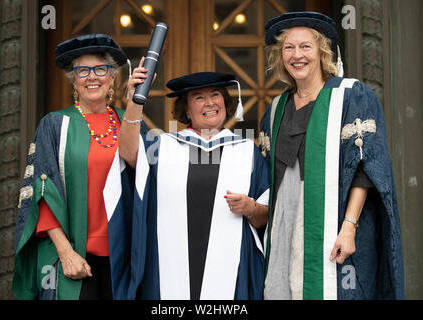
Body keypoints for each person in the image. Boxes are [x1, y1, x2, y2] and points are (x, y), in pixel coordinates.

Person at [260, 11, 404, 300]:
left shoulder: (350, 96)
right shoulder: (276, 108)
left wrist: (349, 227)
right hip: (285, 223)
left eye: (305, 47)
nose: (296, 55)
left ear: (322, 51)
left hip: (334, 222)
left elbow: (365, 169)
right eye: (289, 47)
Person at [117, 66, 270, 299]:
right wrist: (135, 101)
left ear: (225, 102)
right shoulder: (164, 147)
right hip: (170, 265)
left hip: (231, 268)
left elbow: (266, 215)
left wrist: (251, 208)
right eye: (199, 97)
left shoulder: (246, 151)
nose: (210, 103)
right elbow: (128, 153)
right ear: (186, 110)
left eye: (216, 95)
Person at [13, 34, 132, 300]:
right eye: (83, 70)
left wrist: (135, 107)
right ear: (74, 81)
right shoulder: (55, 124)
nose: (92, 77)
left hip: (123, 257)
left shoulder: (128, 122)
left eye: (100, 69)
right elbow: (43, 193)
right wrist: (66, 253)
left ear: (112, 77)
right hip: (76, 255)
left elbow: (145, 176)